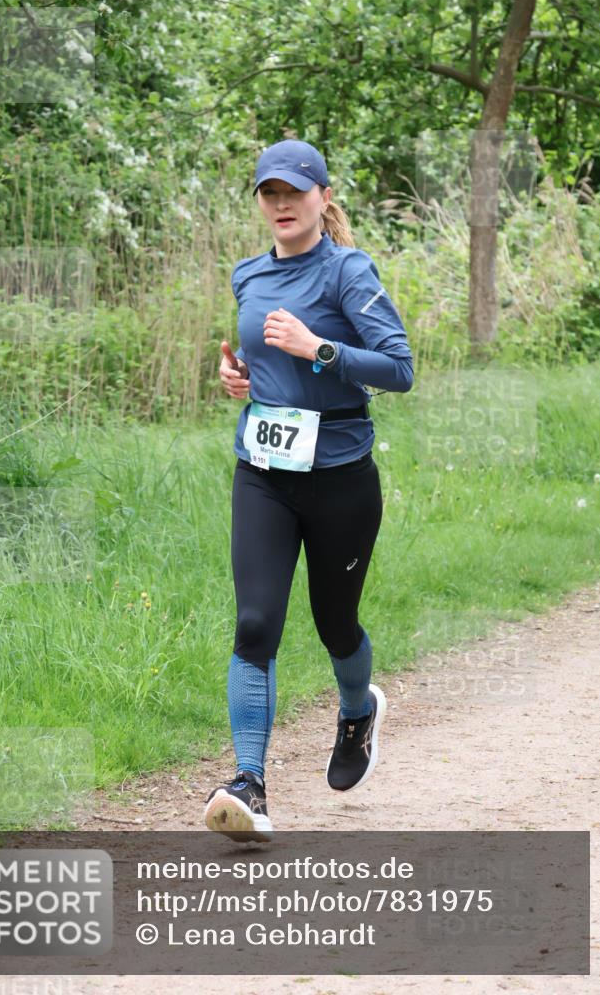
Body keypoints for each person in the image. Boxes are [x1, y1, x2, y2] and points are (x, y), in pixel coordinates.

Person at [204, 139, 414, 843]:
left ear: (324, 197)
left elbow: (398, 368)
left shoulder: (348, 271)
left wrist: (317, 348)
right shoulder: (247, 274)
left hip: (339, 479)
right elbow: (263, 363)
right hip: (262, 473)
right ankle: (248, 783)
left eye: (295, 191)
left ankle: (357, 711)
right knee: (255, 624)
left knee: (334, 623)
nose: (282, 203)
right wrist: (240, 377)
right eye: (269, 193)